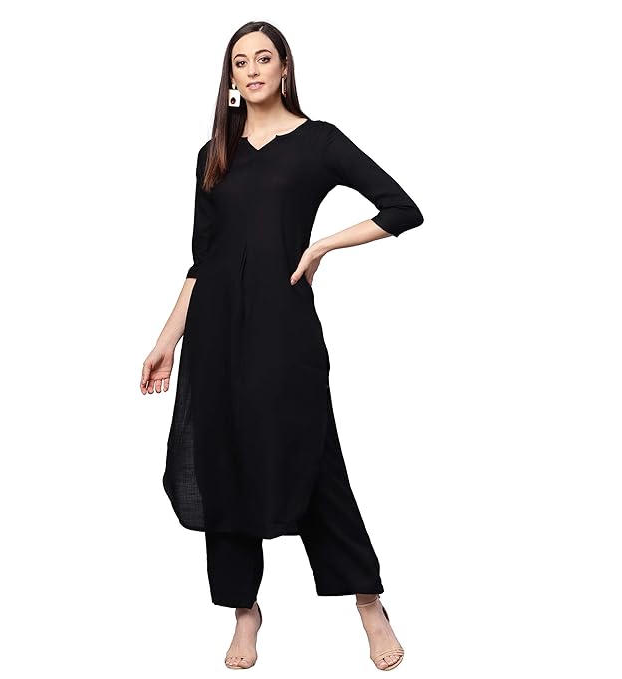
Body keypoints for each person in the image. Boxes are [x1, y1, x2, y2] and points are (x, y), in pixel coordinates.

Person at [140, 20, 424, 672]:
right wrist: (166, 340)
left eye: (263, 58)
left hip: (283, 327)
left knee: (312, 454)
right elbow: (202, 260)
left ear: (284, 67)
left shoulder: (318, 142)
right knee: (222, 459)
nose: (252, 70)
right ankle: (244, 612)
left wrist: (321, 245)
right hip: (214, 331)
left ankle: (368, 602)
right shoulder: (214, 152)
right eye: (240, 62)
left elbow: (400, 208)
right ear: (231, 78)